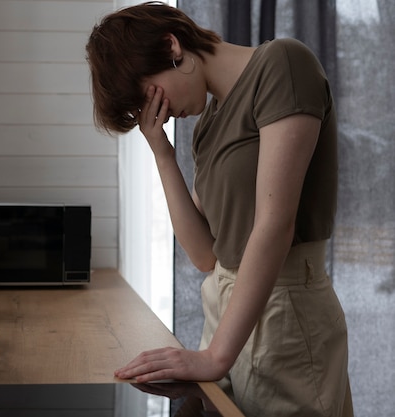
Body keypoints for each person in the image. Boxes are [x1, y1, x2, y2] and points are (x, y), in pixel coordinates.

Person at [85, 2, 354, 417]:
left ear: (171, 46)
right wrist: (162, 154)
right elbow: (205, 254)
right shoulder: (209, 123)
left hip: (286, 314)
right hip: (227, 314)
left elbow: (275, 225)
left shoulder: (283, 65)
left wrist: (214, 357)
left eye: (146, 96)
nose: (155, 114)